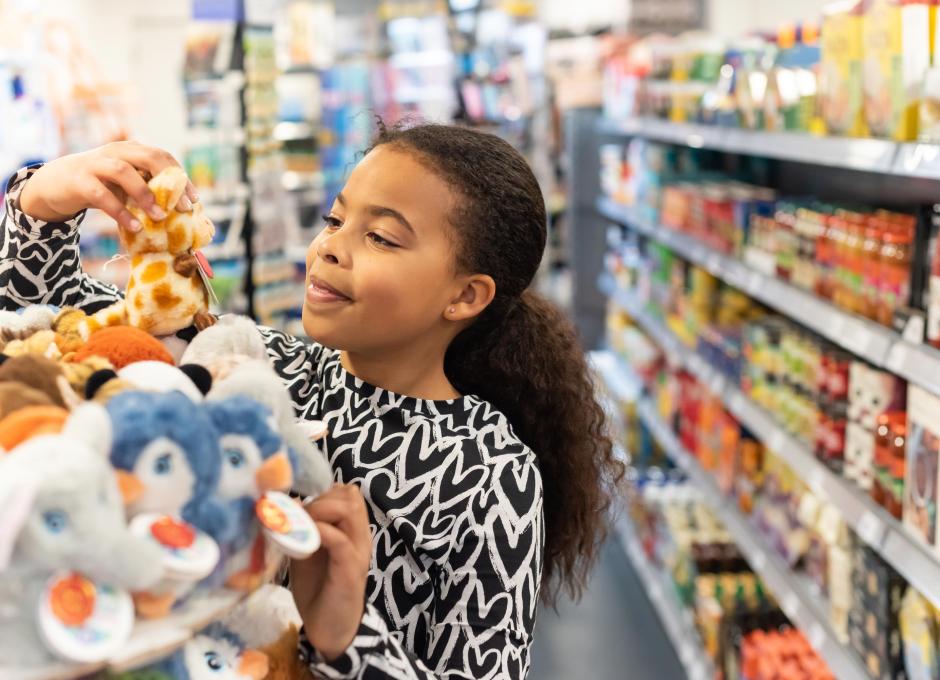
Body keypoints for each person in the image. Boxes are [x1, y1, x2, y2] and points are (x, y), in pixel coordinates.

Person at [0, 123, 623, 678]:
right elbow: (53, 315)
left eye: (381, 237)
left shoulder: (487, 476)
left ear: (465, 295)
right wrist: (41, 200)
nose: (329, 246)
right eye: (334, 219)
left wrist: (345, 640)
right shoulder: (259, 367)